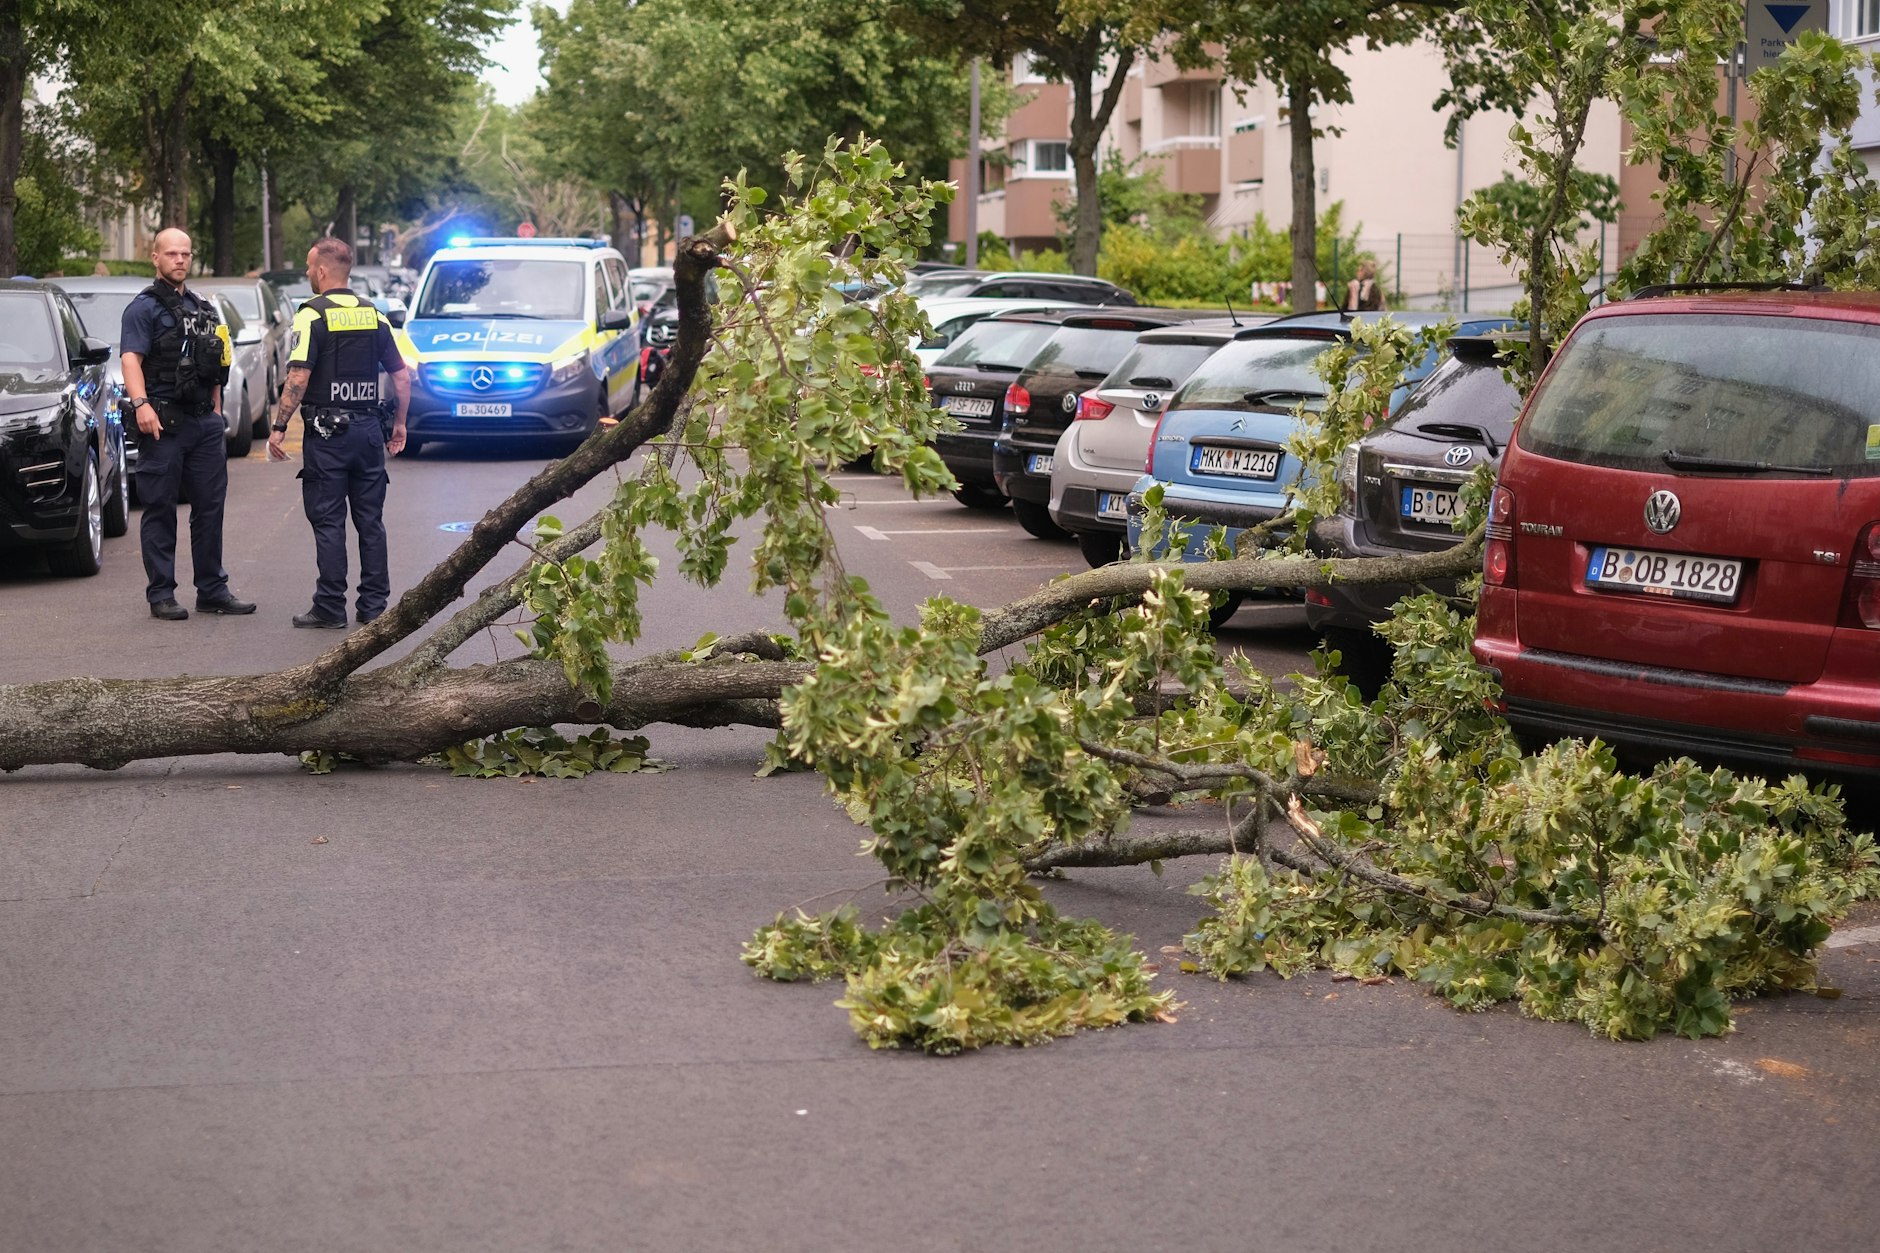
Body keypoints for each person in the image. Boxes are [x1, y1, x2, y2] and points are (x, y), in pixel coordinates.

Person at [268, 236, 409, 629]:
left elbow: (299, 374)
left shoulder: (312, 314)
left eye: (311, 267)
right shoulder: (375, 315)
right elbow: (401, 377)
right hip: (367, 432)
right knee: (370, 520)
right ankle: (375, 607)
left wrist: (279, 427)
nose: (309, 273)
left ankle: (330, 607)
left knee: (329, 521)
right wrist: (399, 424)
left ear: (324, 270)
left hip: (328, 435)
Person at [119, 228, 255, 621]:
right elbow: (131, 359)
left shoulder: (203, 309)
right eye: (172, 254)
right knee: (160, 510)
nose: (180, 260)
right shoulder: (142, 309)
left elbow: (216, 368)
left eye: (186, 254)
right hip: (162, 424)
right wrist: (141, 404)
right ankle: (161, 594)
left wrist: (214, 414)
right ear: (156, 258)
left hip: (202, 425)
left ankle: (212, 590)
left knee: (210, 509)